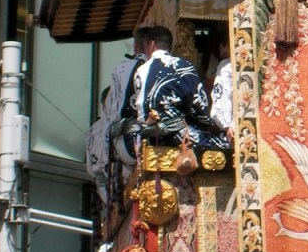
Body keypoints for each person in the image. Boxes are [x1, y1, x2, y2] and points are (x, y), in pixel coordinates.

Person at [134, 26, 225, 148]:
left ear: (151, 45)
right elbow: (199, 102)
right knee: (224, 147)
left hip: (147, 138)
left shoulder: (140, 71)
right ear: (170, 46)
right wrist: (207, 123)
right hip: (177, 136)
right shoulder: (181, 65)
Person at [107, 28, 149, 166]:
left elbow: (110, 107)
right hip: (147, 140)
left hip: (122, 142)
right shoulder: (156, 67)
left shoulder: (120, 68)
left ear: (135, 46)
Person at [85, 87, 111, 208]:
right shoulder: (119, 122)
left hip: (102, 183)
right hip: (117, 179)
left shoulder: (92, 129)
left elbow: (90, 168)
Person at [210, 38, 234, 146]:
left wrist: (227, 124)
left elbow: (223, 95)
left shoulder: (226, 66)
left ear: (227, 46)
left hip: (229, 129)